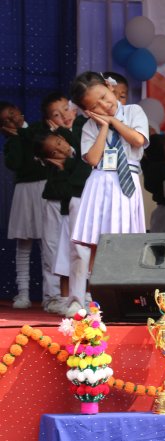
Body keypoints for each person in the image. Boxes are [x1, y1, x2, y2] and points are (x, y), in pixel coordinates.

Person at [69, 71, 148, 315]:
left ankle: (124, 297)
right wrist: (103, 127)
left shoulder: (133, 111)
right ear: (87, 111)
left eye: (104, 97)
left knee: (125, 241)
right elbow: (93, 159)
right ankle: (90, 299)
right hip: (100, 182)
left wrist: (113, 122)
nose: (105, 105)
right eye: (95, 105)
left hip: (126, 183)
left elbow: (137, 140)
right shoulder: (89, 126)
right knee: (95, 243)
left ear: (109, 87)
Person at [34, 131, 92, 316]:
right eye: (55, 151)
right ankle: (60, 299)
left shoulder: (81, 149)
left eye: (60, 143)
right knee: (63, 257)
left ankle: (88, 298)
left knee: (87, 256)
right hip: (66, 213)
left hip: (85, 211)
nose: (61, 149)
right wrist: (61, 169)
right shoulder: (56, 170)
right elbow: (65, 191)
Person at [1, 101, 51, 309]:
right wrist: (14, 138)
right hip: (23, 191)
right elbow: (15, 163)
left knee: (48, 243)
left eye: (13, 113)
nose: (12, 119)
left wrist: (21, 132)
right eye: (6, 119)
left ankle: (50, 294)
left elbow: (39, 144)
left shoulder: (37, 129)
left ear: (20, 111)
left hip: (45, 188)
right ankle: (23, 293)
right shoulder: (11, 143)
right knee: (23, 243)